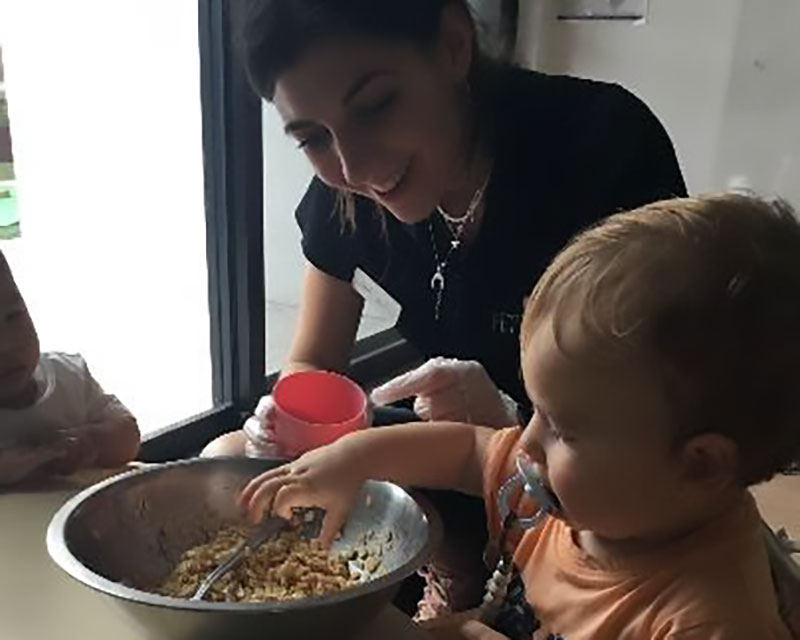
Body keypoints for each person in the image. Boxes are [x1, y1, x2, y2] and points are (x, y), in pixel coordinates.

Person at [203, 0, 685, 615]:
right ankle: (451, 564)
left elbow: (656, 421)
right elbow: (313, 363)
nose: (355, 168)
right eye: (313, 138)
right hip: (453, 451)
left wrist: (512, 416)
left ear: (455, 46)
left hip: (574, 467)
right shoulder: (342, 197)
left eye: (376, 104)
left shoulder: (601, 147)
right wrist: (284, 420)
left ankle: (468, 572)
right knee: (229, 462)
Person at [239, 193, 800, 639]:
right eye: (536, 411)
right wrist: (351, 459)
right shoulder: (585, 496)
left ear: (700, 464)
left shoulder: (711, 621)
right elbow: (470, 450)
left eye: (564, 429)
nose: (526, 440)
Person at [0, 250, 140, 486]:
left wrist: (93, 442)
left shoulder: (69, 377)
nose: (5, 345)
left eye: (13, 317)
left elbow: (128, 435)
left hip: (86, 518)